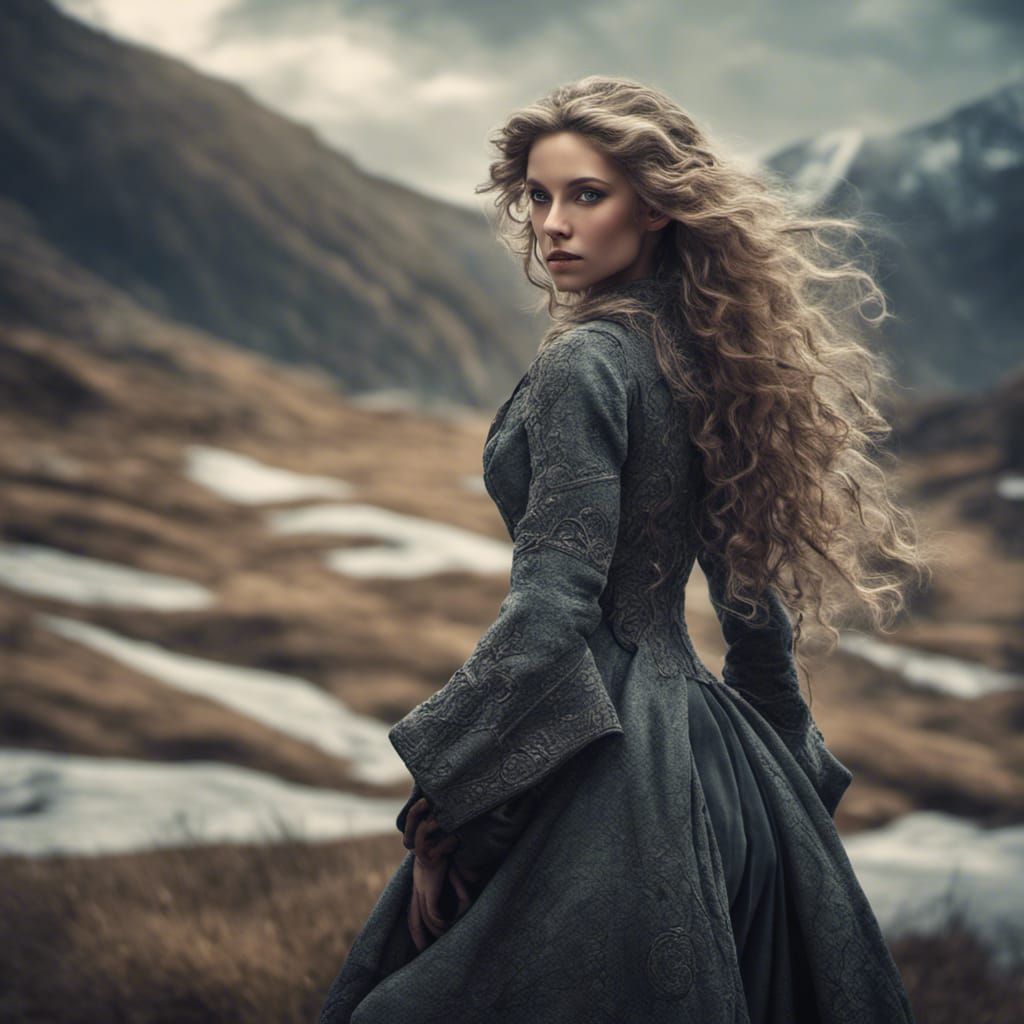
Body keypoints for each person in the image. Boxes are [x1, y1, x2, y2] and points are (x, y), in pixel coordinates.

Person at [317, 74, 929, 1023]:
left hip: (608, 771)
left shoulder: (585, 360)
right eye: (537, 197)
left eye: (586, 195)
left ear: (654, 207)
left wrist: (440, 810)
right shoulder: (706, 356)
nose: (553, 225)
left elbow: (554, 607)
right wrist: (787, 788)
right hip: (722, 768)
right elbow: (753, 613)